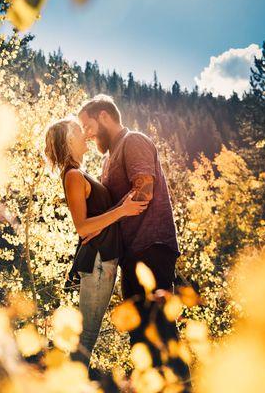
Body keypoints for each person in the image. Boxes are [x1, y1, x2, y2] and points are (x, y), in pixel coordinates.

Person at [77, 94, 191, 384]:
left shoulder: (134, 142)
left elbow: (144, 194)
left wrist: (102, 224)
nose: (87, 135)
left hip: (151, 247)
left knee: (159, 329)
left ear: (104, 116)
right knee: (141, 335)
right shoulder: (107, 160)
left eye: (88, 126)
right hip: (131, 256)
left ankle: (181, 387)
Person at [44, 117, 149, 369]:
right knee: (87, 334)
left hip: (105, 259)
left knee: (88, 333)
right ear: (70, 140)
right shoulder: (72, 176)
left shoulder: (80, 173)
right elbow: (82, 226)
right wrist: (122, 211)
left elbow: (95, 220)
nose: (87, 135)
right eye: (80, 132)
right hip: (98, 262)